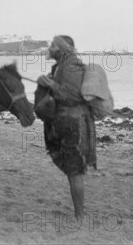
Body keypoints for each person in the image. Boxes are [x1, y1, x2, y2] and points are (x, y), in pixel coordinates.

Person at [35, 35, 96, 221]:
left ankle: (80, 217)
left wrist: (50, 84)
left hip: (74, 126)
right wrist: (46, 81)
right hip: (66, 124)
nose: (49, 47)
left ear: (61, 49)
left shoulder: (71, 66)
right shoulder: (61, 66)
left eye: (53, 45)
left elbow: (72, 96)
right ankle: (79, 215)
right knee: (72, 171)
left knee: (75, 172)